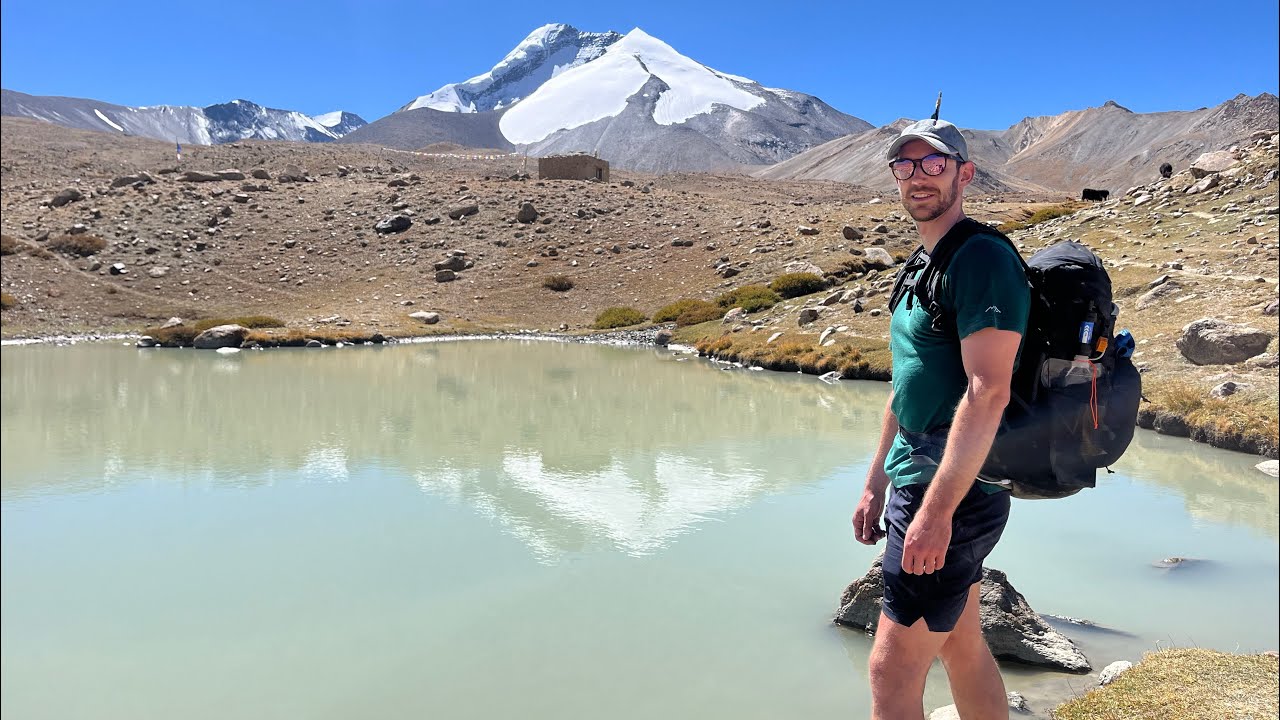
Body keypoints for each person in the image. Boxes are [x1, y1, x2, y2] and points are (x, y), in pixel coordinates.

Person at [852, 116, 1030, 719]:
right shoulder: (922, 264)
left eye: (934, 163)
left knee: (890, 670)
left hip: (953, 488)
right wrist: (876, 480)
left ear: (965, 173)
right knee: (960, 641)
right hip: (919, 476)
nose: (918, 176)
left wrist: (935, 512)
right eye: (905, 165)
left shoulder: (981, 258)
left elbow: (988, 392)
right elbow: (907, 388)